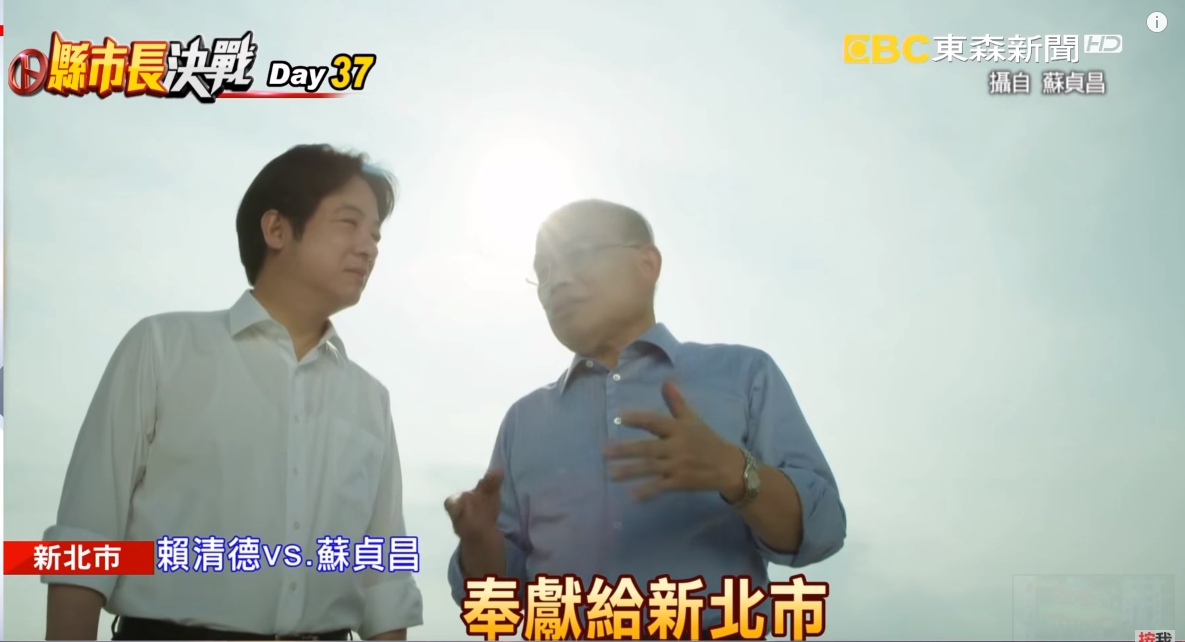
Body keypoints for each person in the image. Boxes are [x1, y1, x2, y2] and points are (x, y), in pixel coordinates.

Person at [43, 145, 422, 640]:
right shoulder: (163, 347)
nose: (369, 247)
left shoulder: (370, 399)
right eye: (348, 223)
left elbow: (383, 579)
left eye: (374, 235)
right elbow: (86, 537)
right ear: (277, 229)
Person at [445, 199, 846, 638]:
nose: (556, 280)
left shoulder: (742, 375)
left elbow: (823, 529)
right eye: (543, 271)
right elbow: (499, 599)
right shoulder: (524, 420)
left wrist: (733, 470)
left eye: (577, 255)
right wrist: (479, 541)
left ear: (646, 264)